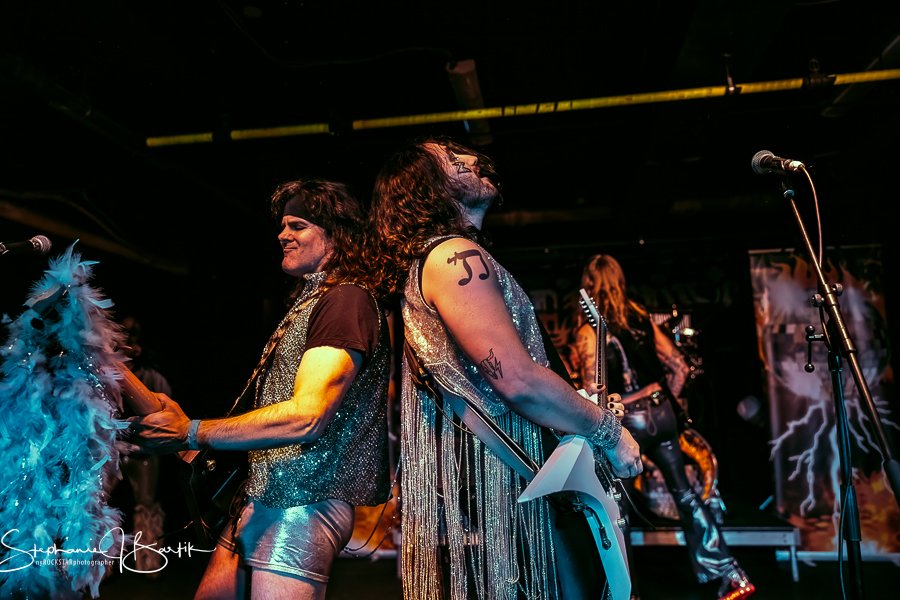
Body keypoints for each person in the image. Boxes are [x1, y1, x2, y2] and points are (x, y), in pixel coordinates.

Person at [369, 137, 642, 600]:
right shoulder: (453, 256)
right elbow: (516, 378)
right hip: (518, 472)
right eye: (453, 159)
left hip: (513, 475)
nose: (472, 159)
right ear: (426, 187)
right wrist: (609, 431)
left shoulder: (438, 260)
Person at [129, 179, 391, 600]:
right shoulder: (314, 300)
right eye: (283, 225)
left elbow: (307, 415)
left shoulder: (345, 300)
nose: (283, 235)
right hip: (266, 496)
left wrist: (193, 431)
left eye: (298, 225)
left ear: (337, 234)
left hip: (301, 504)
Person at [572, 254, 754, 600]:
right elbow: (679, 367)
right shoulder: (640, 318)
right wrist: (664, 399)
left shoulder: (589, 331)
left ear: (589, 286)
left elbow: (592, 388)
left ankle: (626, 592)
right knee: (685, 493)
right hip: (661, 411)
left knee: (618, 506)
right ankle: (731, 574)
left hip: (626, 420)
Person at [117, 315, 173, 576]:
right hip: (111, 449)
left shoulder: (151, 376)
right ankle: (98, 565)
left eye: (134, 333)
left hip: (144, 451)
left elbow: (168, 414)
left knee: (146, 503)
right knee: (99, 504)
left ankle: (149, 560)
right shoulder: (105, 374)